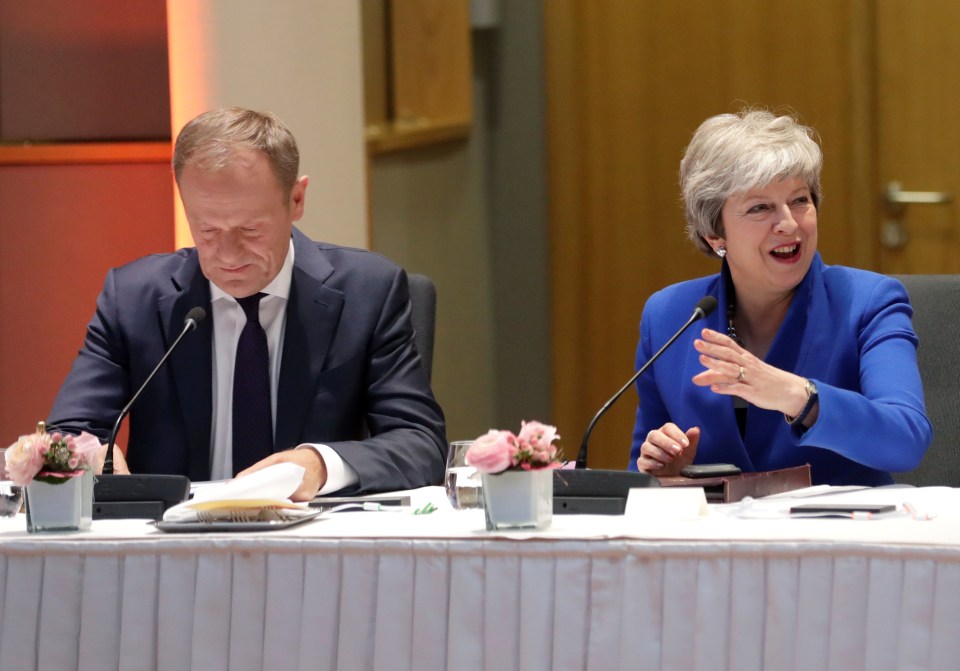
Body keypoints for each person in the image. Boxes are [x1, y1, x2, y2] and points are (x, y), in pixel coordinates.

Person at [48, 107, 447, 500]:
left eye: (250, 228)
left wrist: (321, 464)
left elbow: (420, 444)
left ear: (296, 199)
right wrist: (91, 455)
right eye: (206, 228)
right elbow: (67, 432)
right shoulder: (133, 297)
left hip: (312, 544)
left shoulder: (368, 292)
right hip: (173, 547)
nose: (228, 253)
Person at [629, 109, 931, 486]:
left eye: (800, 200)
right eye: (760, 208)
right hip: (718, 539)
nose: (789, 222)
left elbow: (906, 440)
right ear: (714, 235)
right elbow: (639, 476)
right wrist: (664, 472)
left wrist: (796, 395)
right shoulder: (669, 316)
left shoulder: (868, 302)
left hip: (844, 535)